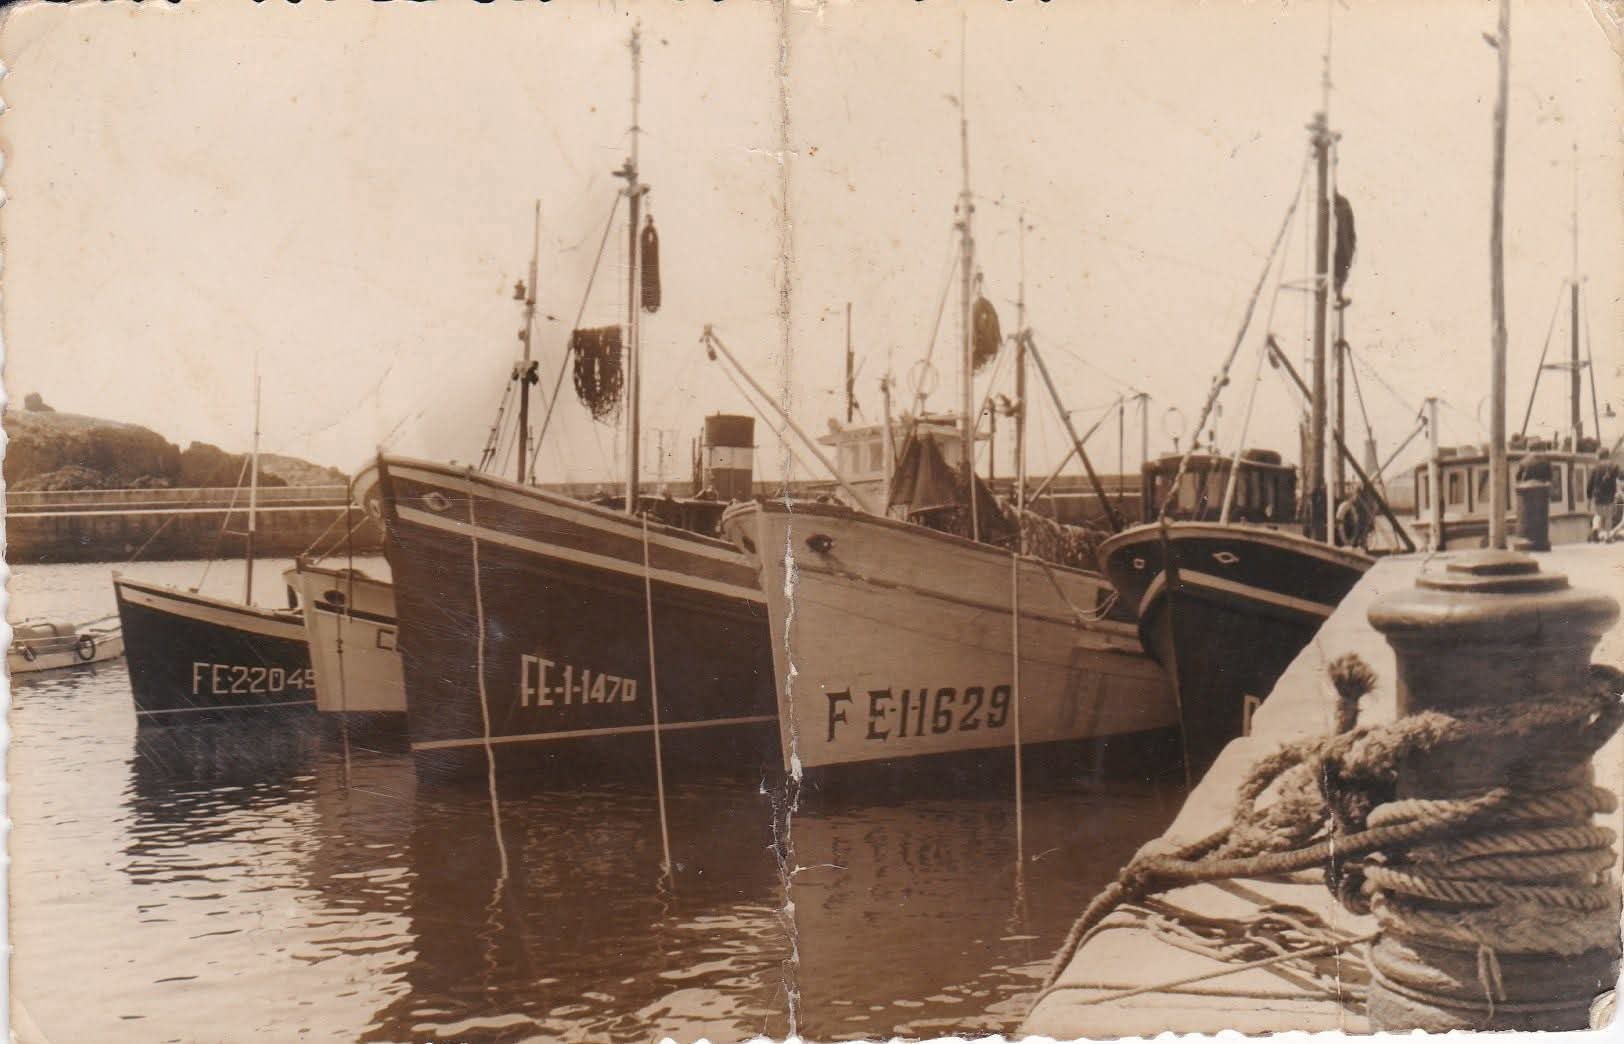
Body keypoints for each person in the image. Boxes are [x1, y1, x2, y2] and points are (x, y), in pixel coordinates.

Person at [1587, 455, 1619, 541]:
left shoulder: (1595, 467)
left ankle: (1595, 529)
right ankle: (1608, 537)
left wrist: (1589, 497)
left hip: (1598, 494)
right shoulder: (1614, 466)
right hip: (1609, 494)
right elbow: (1617, 479)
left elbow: (1590, 483)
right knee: (1608, 516)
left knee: (1598, 514)